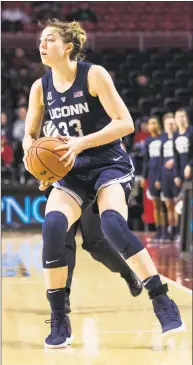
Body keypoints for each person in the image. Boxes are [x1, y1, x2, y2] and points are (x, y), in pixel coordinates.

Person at [23, 19, 183, 349]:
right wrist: (34, 161)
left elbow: (125, 122)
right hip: (71, 170)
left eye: (49, 39)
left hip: (107, 164)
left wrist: (81, 143)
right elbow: (29, 135)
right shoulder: (41, 87)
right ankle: (59, 319)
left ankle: (161, 299)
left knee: (112, 224)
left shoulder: (93, 75)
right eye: (40, 40)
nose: (42, 45)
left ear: (67, 47)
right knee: (53, 226)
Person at [43, 119, 143, 314]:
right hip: (63, 183)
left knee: (95, 243)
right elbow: (38, 155)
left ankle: (127, 272)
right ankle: (62, 295)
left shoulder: (92, 115)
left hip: (90, 180)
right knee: (63, 240)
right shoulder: (46, 120)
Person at [140, 116, 167, 240]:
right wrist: (143, 176)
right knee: (156, 204)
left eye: (154, 123)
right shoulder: (148, 140)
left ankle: (169, 230)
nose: (152, 126)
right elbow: (146, 160)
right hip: (151, 173)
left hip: (162, 173)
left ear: (159, 124)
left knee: (165, 203)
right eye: (150, 124)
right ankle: (159, 230)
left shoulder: (164, 138)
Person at [155, 113, 179, 241]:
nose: (170, 126)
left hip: (176, 174)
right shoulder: (162, 139)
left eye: (172, 123)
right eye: (168, 124)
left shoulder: (179, 137)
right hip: (165, 175)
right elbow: (159, 160)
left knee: (178, 204)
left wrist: (174, 161)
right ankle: (172, 230)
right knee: (168, 204)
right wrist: (158, 178)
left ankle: (181, 231)